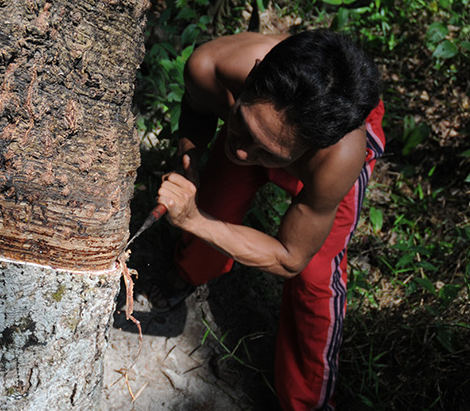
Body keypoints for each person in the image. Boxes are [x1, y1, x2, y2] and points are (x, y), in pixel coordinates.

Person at [154, 29, 385, 410]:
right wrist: (191, 158)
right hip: (274, 120)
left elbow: (290, 257)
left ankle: (305, 403)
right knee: (213, 201)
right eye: (244, 125)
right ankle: (190, 270)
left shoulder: (339, 158)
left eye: (269, 152)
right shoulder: (212, 67)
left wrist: (195, 220)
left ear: (311, 150)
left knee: (316, 277)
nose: (241, 153)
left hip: (326, 159)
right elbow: (196, 112)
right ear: (254, 75)